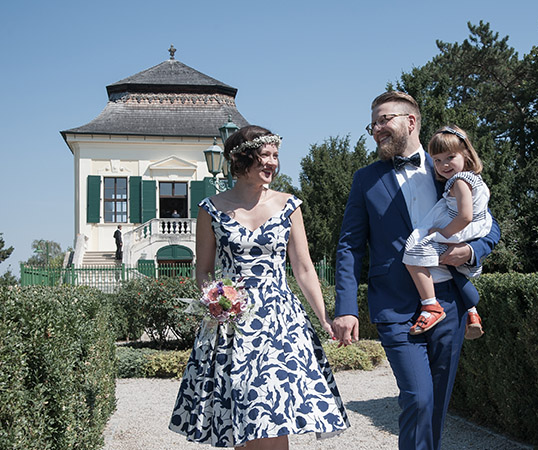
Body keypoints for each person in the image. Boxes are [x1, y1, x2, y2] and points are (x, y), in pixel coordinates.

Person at [333, 91, 500, 450]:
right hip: (394, 305)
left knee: (437, 403)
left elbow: (490, 225)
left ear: (411, 122)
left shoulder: (448, 167)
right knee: (418, 397)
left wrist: (470, 250)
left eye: (384, 120)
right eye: (372, 123)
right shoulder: (365, 179)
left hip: (450, 302)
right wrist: (346, 307)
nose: (376, 129)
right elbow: (349, 246)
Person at [169, 125, 349, 449]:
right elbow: (204, 270)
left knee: (272, 412)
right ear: (241, 160)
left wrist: (323, 317)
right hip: (230, 324)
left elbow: (304, 267)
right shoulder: (210, 209)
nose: (272, 163)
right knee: (238, 414)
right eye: (264, 155)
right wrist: (216, 301)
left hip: (280, 321)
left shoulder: (289, 206)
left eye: (275, 156)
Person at [403, 125, 492, 339]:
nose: (443, 165)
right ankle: (472, 312)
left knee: (412, 256)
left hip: (457, 232)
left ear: (466, 154)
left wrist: (442, 233)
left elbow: (465, 216)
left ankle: (431, 305)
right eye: (437, 160)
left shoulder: (460, 181)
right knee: (455, 270)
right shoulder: (473, 179)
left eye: (450, 157)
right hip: (466, 231)